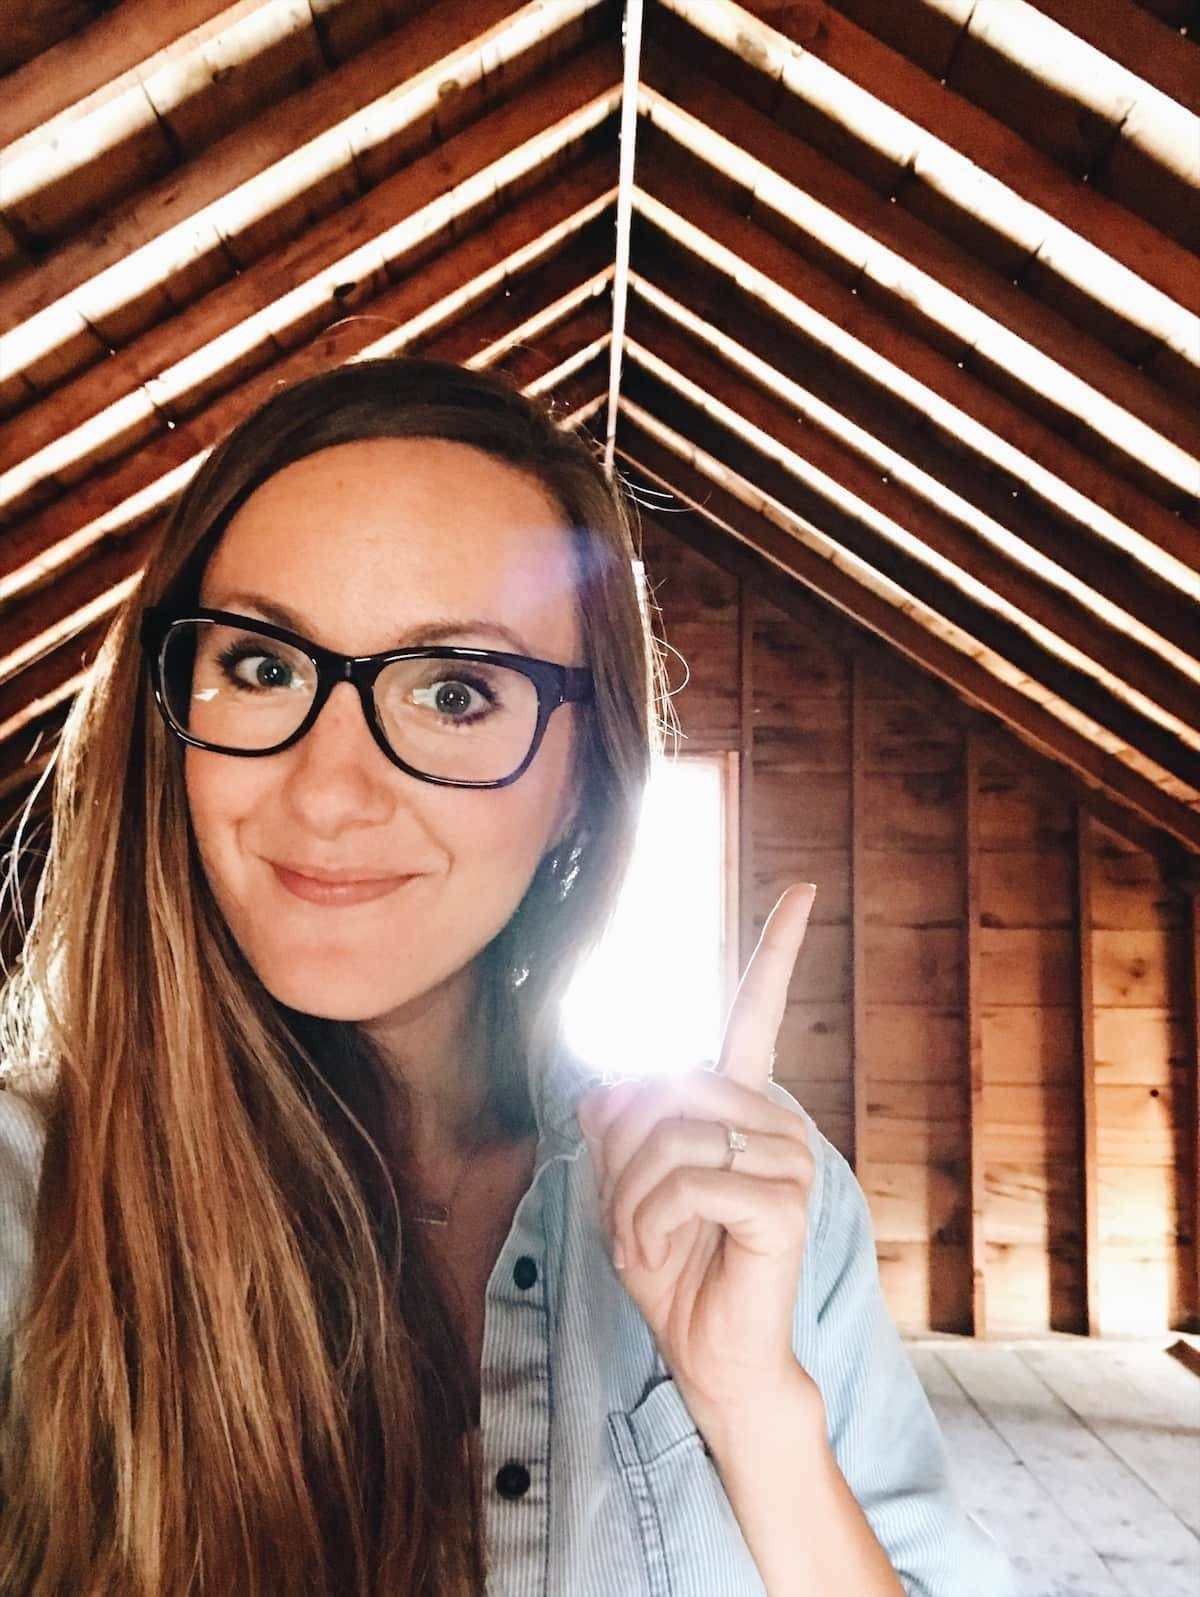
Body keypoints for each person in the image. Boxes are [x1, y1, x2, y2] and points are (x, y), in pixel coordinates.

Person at [0, 357, 1016, 1596]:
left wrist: (758, 1413)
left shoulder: (752, 1190)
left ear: (582, 782)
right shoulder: (28, 1206)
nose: (327, 792)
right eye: (264, 667)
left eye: (455, 692)